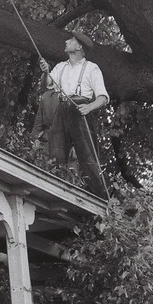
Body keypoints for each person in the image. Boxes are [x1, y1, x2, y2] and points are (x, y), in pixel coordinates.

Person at [39, 31, 109, 198]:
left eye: (70, 40)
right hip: (63, 108)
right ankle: (56, 189)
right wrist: (45, 71)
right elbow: (46, 85)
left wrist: (89, 107)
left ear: (78, 47)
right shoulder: (61, 67)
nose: (66, 41)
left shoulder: (92, 68)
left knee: (86, 153)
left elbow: (103, 97)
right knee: (55, 151)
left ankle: (98, 194)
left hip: (80, 109)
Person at [31, 75, 58, 153]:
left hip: (66, 144)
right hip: (47, 140)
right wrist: (35, 139)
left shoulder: (74, 99)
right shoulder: (46, 96)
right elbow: (39, 121)